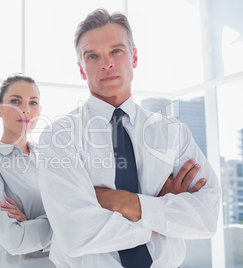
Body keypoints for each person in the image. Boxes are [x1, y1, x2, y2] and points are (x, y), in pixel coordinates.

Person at [37, 8, 221, 268]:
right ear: (81, 69)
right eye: (93, 56)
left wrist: (121, 201)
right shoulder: (59, 137)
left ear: (134, 57)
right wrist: (160, 213)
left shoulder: (172, 133)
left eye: (116, 51)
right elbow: (76, 234)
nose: (106, 63)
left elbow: (207, 216)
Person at [0, 73, 55, 268]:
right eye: (15, 101)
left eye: (33, 103)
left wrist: (30, 224)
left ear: (39, 110)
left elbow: (82, 215)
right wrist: (60, 222)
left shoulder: (52, 159)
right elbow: (14, 240)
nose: (25, 110)